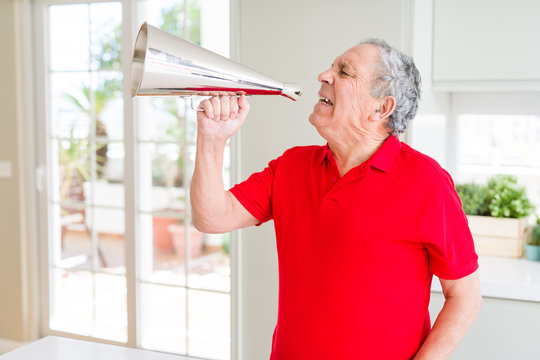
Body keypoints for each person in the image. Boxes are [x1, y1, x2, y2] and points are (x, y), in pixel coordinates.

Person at [190, 39, 482, 360]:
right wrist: (212, 139)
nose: (324, 75)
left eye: (344, 72)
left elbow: (464, 296)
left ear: (381, 107)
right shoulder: (291, 166)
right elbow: (212, 218)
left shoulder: (427, 182)